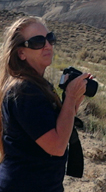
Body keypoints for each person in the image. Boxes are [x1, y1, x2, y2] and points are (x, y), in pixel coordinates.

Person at [0, 17, 92, 191]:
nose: (47, 45)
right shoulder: (24, 91)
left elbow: (54, 127)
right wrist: (70, 97)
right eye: (37, 42)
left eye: (50, 38)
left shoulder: (36, 84)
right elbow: (57, 146)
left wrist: (72, 102)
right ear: (21, 53)